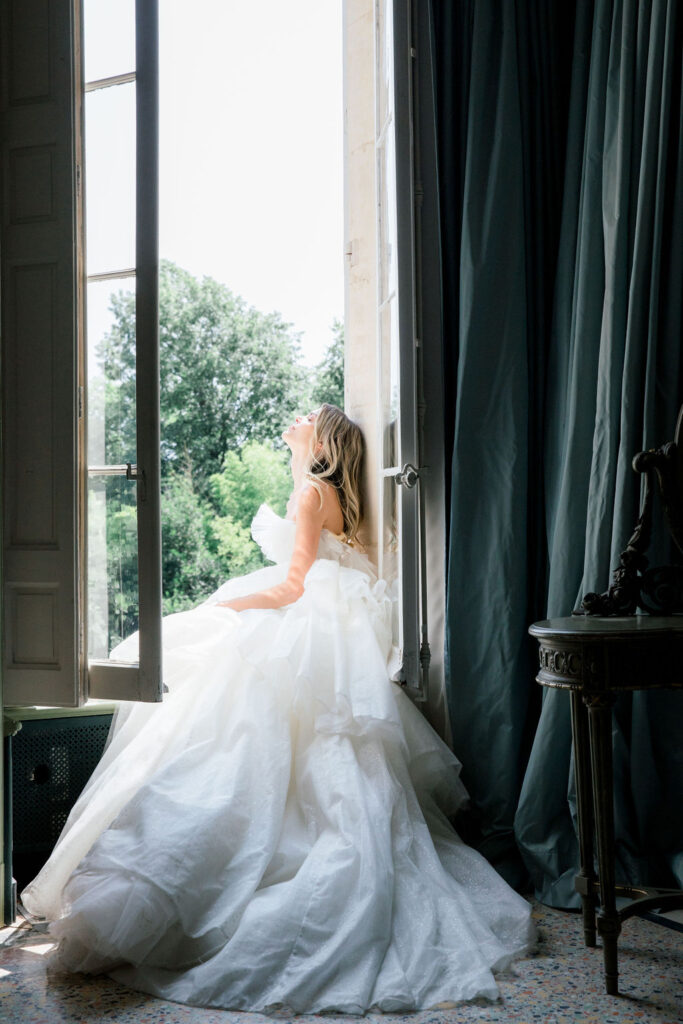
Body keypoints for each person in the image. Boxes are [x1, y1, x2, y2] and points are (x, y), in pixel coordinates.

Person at [21, 404, 535, 1013]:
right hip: (331, 634)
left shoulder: (312, 493)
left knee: (225, 725)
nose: (292, 418)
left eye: (304, 416)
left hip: (305, 629)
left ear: (321, 437)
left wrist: (228, 609)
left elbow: (293, 586)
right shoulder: (334, 495)